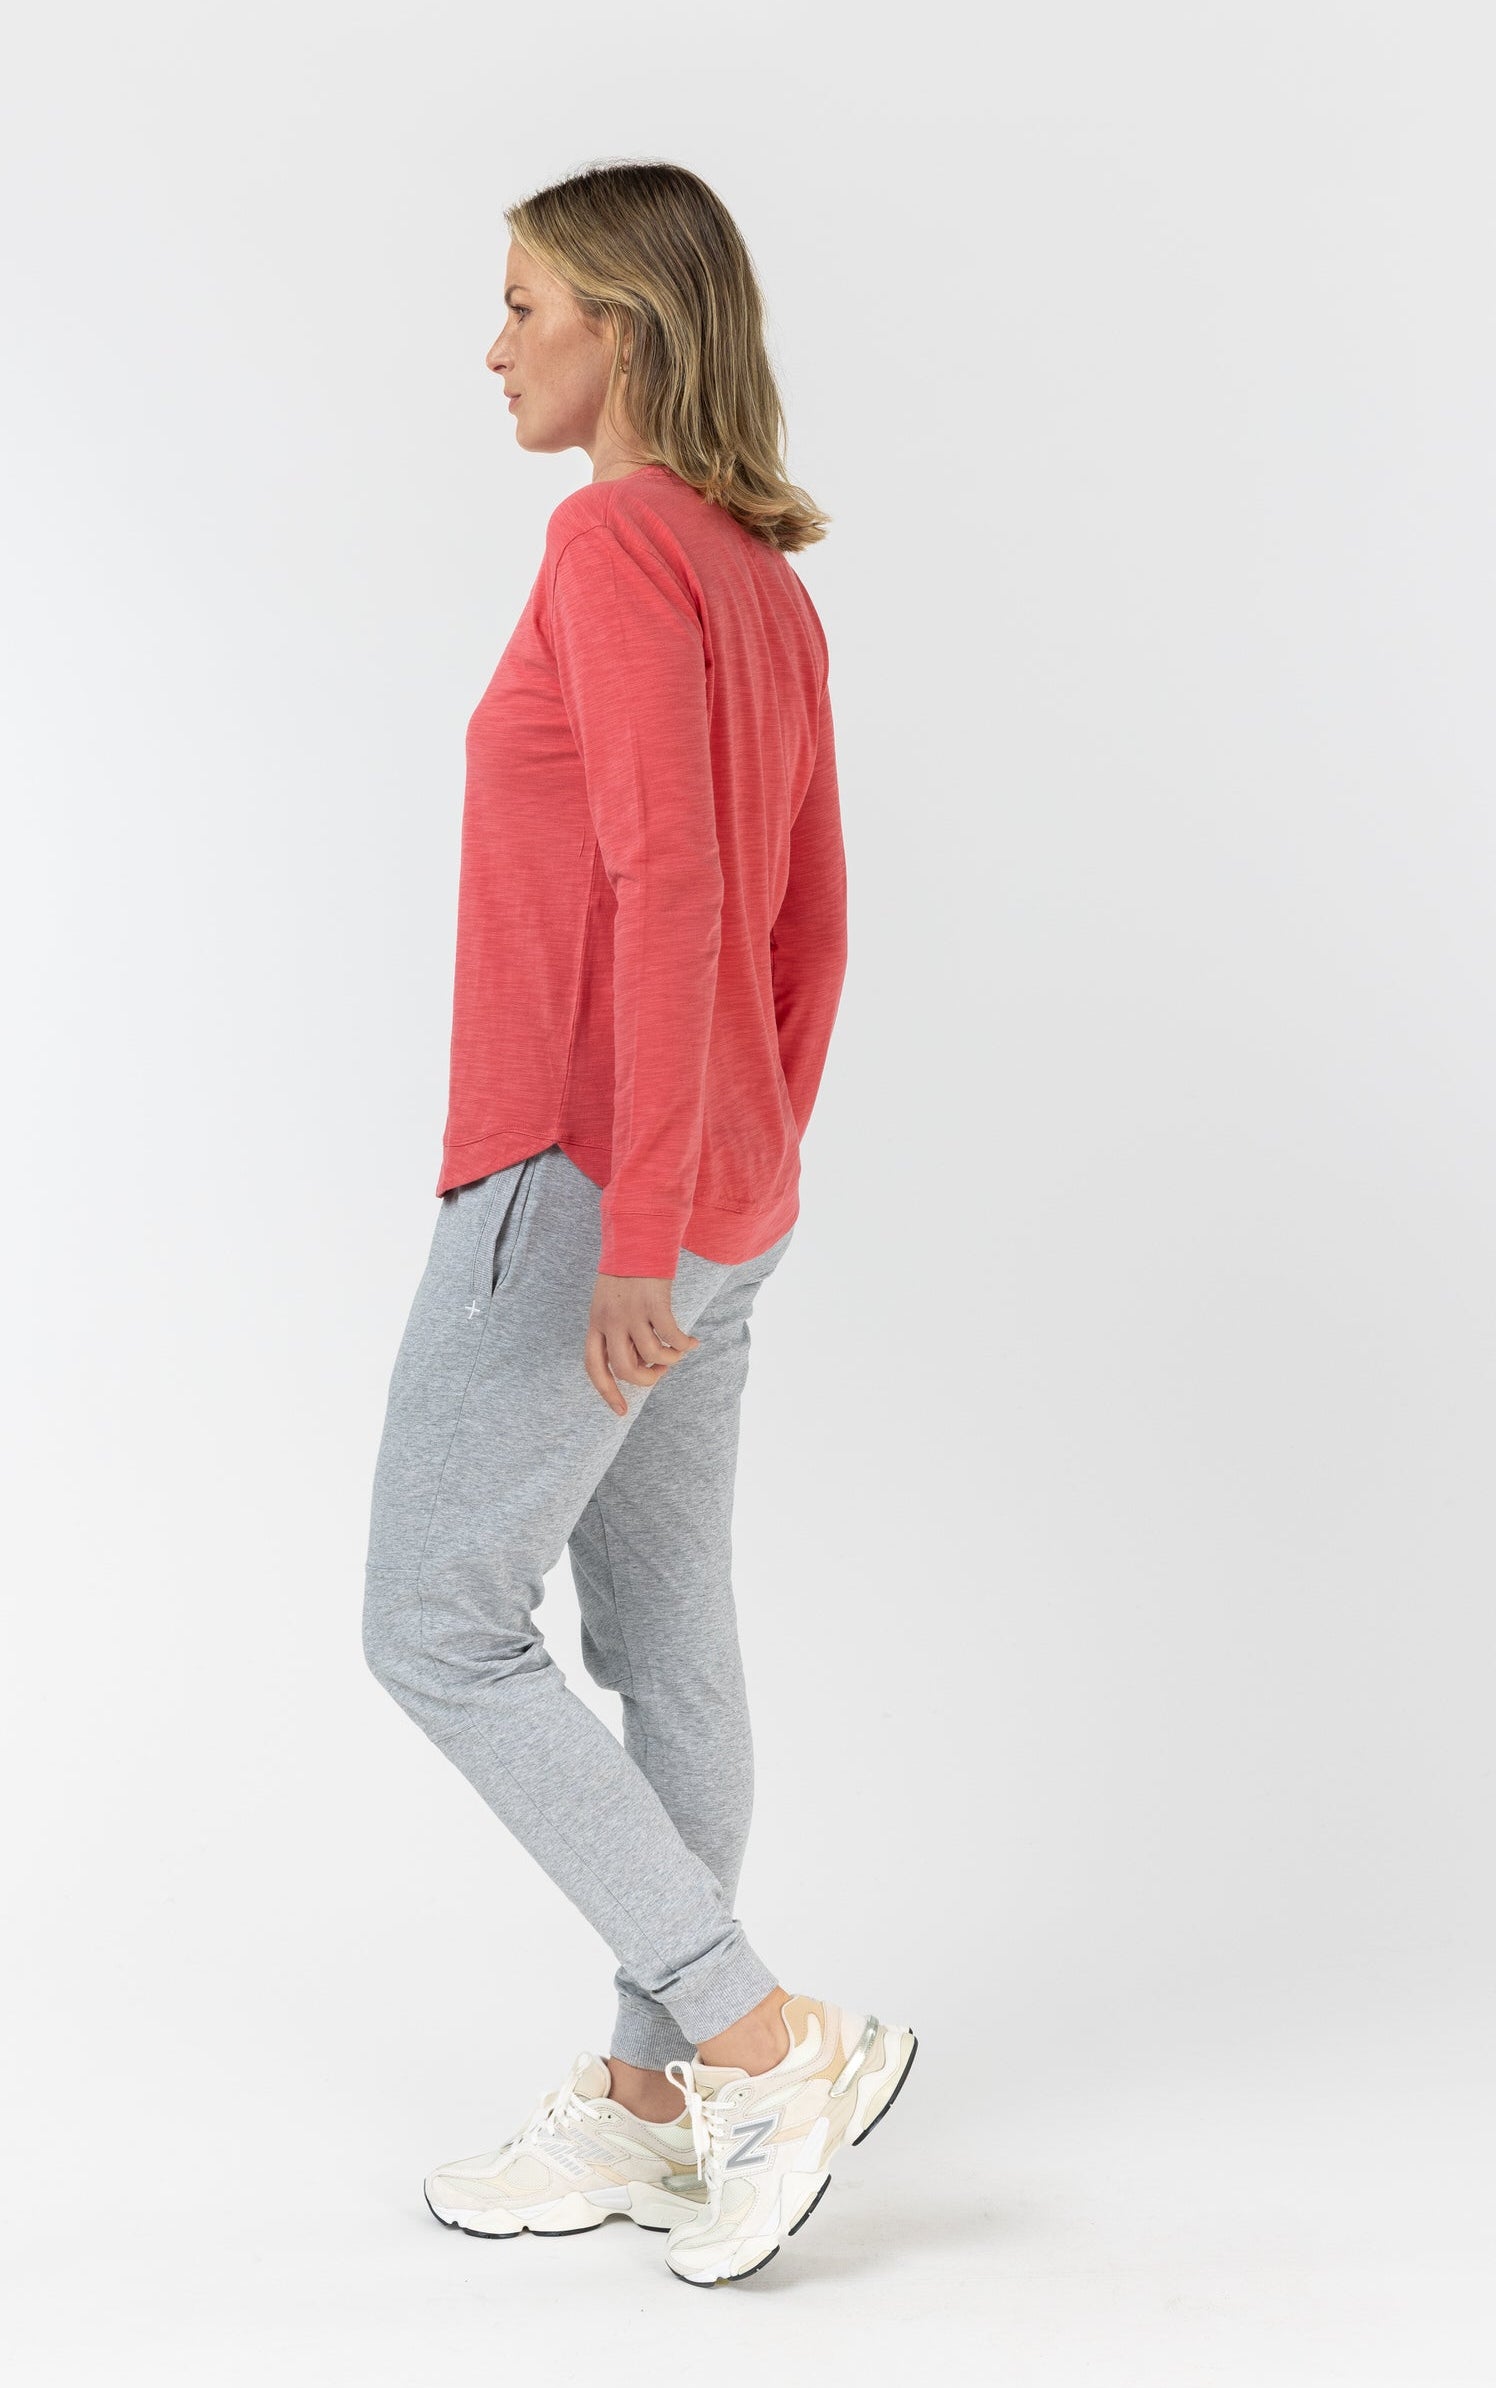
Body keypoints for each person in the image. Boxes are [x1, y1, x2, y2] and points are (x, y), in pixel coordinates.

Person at [361, 159, 916, 2289]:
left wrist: (633, 1221)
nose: (492, 346)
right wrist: (735, 1178)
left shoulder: (608, 540)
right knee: (665, 1639)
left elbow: (677, 886)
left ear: (625, 324)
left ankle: (758, 2039)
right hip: (712, 1191)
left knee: (434, 1624)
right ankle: (650, 2100)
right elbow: (814, 928)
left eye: (525, 305)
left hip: (587, 1179)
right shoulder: (763, 582)